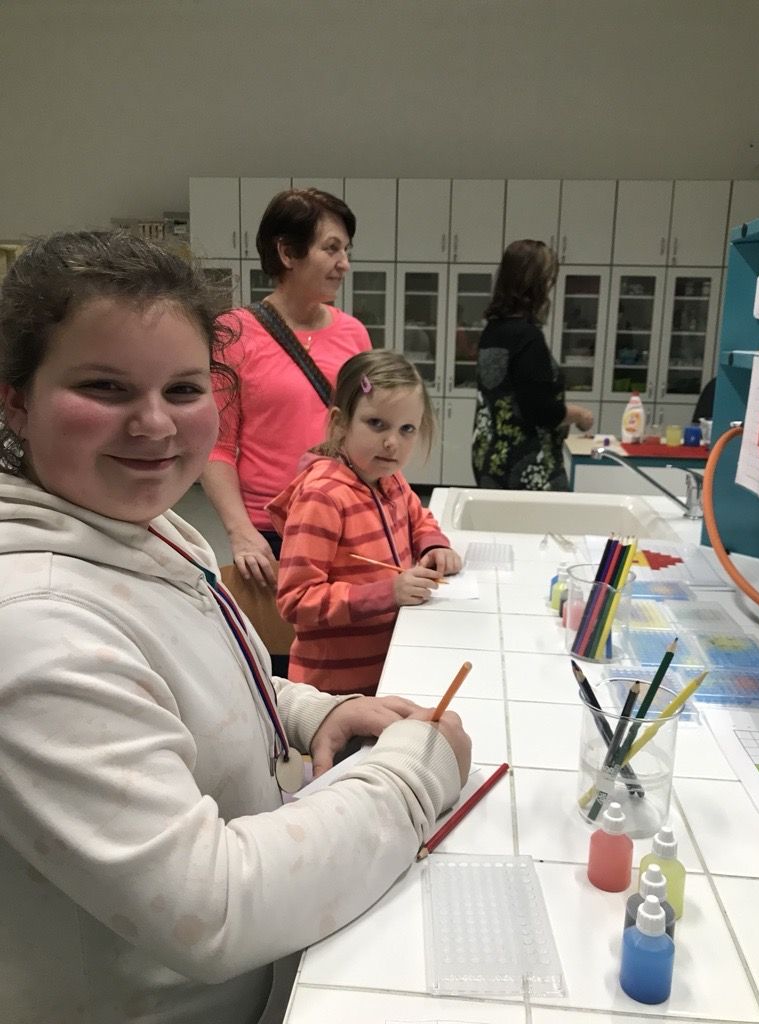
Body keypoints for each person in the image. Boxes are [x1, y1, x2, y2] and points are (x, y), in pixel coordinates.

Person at [0, 232, 471, 1024]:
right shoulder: (35, 628)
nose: (155, 424)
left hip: (261, 974)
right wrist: (416, 775)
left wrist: (312, 711)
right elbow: (208, 906)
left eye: (184, 389)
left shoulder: (145, 528)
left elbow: (205, 672)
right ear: (16, 399)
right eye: (105, 387)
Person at [201, 188, 371, 592]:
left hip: (342, 520)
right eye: (331, 249)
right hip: (271, 531)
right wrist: (241, 532)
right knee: (278, 635)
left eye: (346, 250)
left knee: (348, 628)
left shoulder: (354, 334)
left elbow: (368, 429)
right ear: (288, 252)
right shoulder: (233, 333)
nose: (344, 264)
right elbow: (215, 447)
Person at [268, 351, 462, 696]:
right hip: (335, 692)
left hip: (387, 672)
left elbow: (419, 519)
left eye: (407, 429)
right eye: (376, 424)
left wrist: (434, 545)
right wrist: (388, 593)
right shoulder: (323, 497)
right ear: (341, 422)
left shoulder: (390, 479)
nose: (392, 442)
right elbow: (296, 600)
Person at [472, 239, 594, 491]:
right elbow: (541, 410)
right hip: (526, 464)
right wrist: (580, 414)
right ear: (535, 286)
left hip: (490, 458)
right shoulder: (527, 337)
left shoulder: (493, 331)